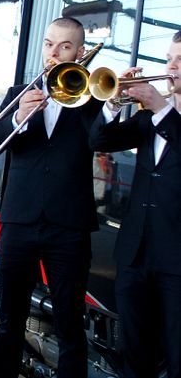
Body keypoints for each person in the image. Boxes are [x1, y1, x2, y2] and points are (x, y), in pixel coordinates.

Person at [0, 17, 102, 378]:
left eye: (64, 46)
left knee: (70, 325)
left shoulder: (91, 98)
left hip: (69, 226)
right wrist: (19, 114)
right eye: (49, 44)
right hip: (19, 222)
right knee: (9, 321)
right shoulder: (19, 92)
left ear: (79, 53)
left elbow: (103, 140)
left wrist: (86, 98)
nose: (54, 52)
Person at [89, 31, 181, 378]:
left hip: (177, 260)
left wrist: (160, 107)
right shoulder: (147, 119)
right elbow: (99, 140)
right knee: (135, 355)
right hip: (136, 255)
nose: (171, 67)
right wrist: (112, 102)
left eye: (180, 61)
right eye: (170, 58)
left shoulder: (160, 114)